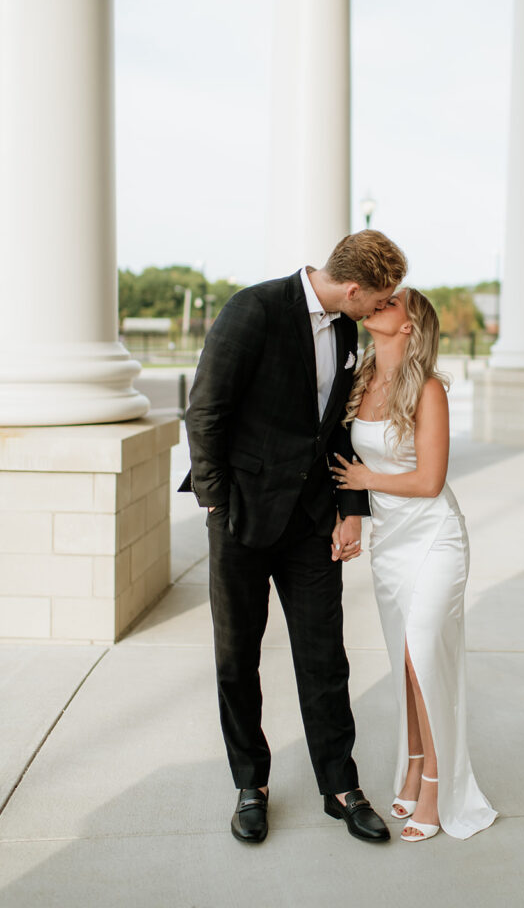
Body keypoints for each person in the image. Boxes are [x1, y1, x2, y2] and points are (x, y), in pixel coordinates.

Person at [180, 231, 407, 844]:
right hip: (241, 521)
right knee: (237, 660)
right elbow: (205, 410)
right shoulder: (252, 310)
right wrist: (217, 504)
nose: (380, 310)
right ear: (354, 288)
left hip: (311, 525)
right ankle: (250, 784)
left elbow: (335, 433)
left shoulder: (346, 331)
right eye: (379, 299)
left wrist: (351, 508)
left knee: (325, 659)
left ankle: (340, 785)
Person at [331, 288, 497, 843]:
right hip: (390, 545)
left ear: (409, 326)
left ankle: (436, 782)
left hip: (434, 538)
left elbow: (429, 481)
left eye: (392, 303)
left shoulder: (427, 390)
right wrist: (348, 513)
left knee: (423, 652)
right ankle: (412, 761)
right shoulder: (360, 379)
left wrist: (366, 481)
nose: (380, 304)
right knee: (405, 662)